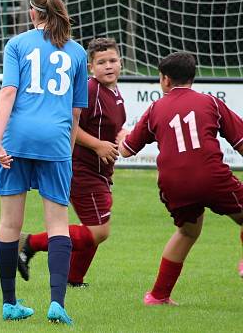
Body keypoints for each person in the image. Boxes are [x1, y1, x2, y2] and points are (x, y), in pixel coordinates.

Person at [0, 0, 88, 324]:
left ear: (33, 13)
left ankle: (9, 304)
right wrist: (68, 152)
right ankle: (57, 303)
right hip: (56, 143)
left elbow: (8, 92)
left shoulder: (17, 45)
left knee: (9, 224)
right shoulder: (76, 52)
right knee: (58, 224)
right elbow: (76, 113)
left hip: (18, 139)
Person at [119, 51, 243, 305]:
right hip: (211, 177)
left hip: (173, 184)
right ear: (192, 77)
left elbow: (126, 150)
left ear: (165, 79)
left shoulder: (155, 108)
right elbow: (240, 142)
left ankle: (158, 296)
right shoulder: (211, 103)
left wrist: (121, 134)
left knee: (187, 232)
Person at [17, 38, 127, 287]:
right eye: (101, 62)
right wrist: (97, 145)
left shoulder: (114, 92)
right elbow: (67, 124)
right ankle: (29, 243)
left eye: (112, 60)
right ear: (90, 67)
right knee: (99, 230)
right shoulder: (90, 90)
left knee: (92, 228)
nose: (108, 66)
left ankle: (74, 279)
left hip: (99, 171)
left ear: (121, 62)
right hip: (81, 169)